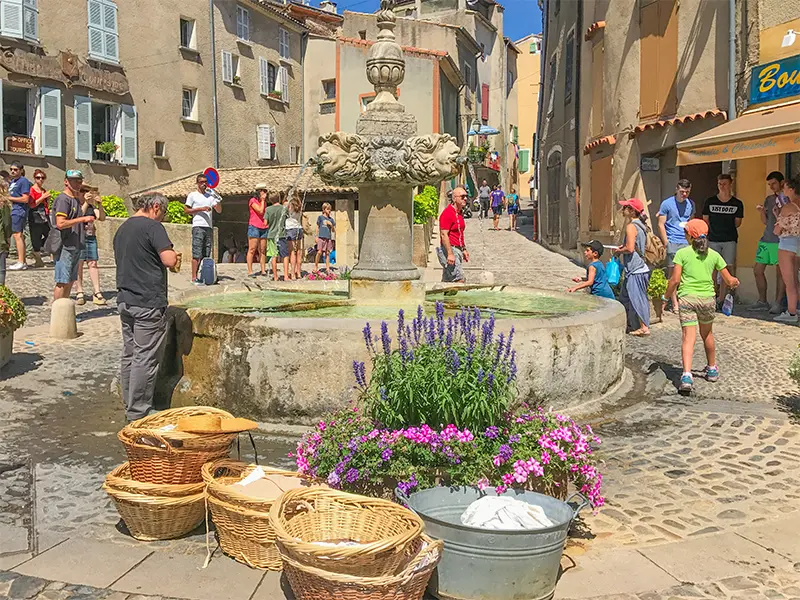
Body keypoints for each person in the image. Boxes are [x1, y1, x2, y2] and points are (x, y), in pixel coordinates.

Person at [113, 193, 179, 421]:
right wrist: (175, 255)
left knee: (129, 354)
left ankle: (129, 402)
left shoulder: (122, 229)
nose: (163, 217)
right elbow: (169, 260)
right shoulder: (153, 227)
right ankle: (139, 411)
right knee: (146, 358)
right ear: (156, 206)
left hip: (125, 300)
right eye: (164, 212)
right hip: (147, 302)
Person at [666, 219, 740, 393]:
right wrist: (735, 282)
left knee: (688, 338)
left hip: (687, 299)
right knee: (707, 334)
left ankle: (686, 375)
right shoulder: (714, 255)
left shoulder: (682, 254)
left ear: (689, 236)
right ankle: (712, 368)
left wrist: (665, 296)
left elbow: (675, 280)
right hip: (707, 299)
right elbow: (729, 280)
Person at [702, 174, 744, 308]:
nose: (722, 186)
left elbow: (738, 223)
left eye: (724, 183)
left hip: (729, 239)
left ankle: (722, 297)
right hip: (713, 239)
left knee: (727, 267)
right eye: (720, 183)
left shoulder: (737, 203)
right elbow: (705, 220)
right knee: (712, 268)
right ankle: (711, 296)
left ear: (730, 184)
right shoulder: (710, 201)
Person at [52, 171, 94, 301]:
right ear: (66, 182)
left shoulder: (75, 199)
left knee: (70, 280)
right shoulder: (63, 199)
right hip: (65, 245)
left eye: (79, 181)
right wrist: (82, 220)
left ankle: (65, 313)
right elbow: (60, 223)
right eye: (74, 180)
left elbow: (75, 218)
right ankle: (57, 314)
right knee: (62, 281)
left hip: (76, 244)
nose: (78, 183)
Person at [750, 171, 786, 313]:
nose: (772, 187)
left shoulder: (787, 199)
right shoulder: (769, 199)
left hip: (780, 240)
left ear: (782, 183)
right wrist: (761, 212)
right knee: (757, 270)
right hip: (766, 239)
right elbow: (765, 221)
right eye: (769, 184)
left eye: (774, 183)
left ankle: (778, 303)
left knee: (780, 273)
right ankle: (762, 301)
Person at [615, 198, 651, 336]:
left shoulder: (632, 226)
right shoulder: (641, 226)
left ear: (631, 211)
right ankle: (628, 324)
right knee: (625, 297)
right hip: (637, 268)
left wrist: (619, 251)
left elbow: (630, 248)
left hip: (636, 269)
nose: (622, 210)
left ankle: (644, 327)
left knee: (638, 297)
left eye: (625, 208)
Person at [657, 179, 694, 312]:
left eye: (687, 192)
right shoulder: (667, 204)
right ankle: (674, 303)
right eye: (682, 192)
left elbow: (691, 222)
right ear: (677, 189)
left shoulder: (691, 204)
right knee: (673, 275)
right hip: (672, 240)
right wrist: (666, 241)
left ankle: (683, 300)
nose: (684, 195)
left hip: (686, 241)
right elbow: (661, 223)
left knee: (685, 274)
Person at [184, 173, 221, 284]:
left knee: (206, 253)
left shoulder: (210, 196)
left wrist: (217, 199)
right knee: (196, 253)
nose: (204, 184)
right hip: (198, 226)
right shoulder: (192, 195)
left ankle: (205, 275)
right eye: (201, 182)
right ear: (197, 183)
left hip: (208, 227)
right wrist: (200, 209)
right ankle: (194, 277)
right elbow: (186, 210)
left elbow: (219, 210)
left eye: (205, 182)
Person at [773, 177, 800, 324]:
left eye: (785, 187)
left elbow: (777, 230)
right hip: (798, 243)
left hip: (787, 243)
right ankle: (796, 307)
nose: (783, 190)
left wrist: (777, 216)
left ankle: (791, 312)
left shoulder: (788, 207)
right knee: (796, 280)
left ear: (791, 189)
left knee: (789, 281)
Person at [75, 187, 107, 306]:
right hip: (79, 238)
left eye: (87, 192)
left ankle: (97, 291)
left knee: (93, 263)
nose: (85, 194)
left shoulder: (92, 208)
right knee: (79, 264)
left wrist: (100, 205)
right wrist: (85, 203)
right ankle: (79, 291)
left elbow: (102, 217)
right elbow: (78, 216)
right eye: (82, 191)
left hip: (91, 238)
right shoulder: (77, 205)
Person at [436, 186, 469, 282]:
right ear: (454, 198)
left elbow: (459, 233)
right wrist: (450, 254)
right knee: (459, 279)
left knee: (447, 283)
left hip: (457, 249)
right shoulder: (447, 213)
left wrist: (464, 249)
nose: (465, 199)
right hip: (450, 249)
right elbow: (443, 234)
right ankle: (457, 297)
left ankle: (443, 297)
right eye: (462, 197)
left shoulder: (459, 213)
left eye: (466, 196)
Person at [7, 162, 32, 271]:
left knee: (18, 235)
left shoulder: (23, 181)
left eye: (15, 169)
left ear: (21, 170)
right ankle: (23, 261)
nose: (13, 171)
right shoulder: (13, 181)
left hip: (19, 210)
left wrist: (9, 198)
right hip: (14, 210)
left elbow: (25, 199)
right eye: (11, 169)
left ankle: (21, 261)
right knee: (18, 235)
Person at [28, 169, 51, 268]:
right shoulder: (32, 190)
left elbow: (46, 204)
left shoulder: (43, 190)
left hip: (44, 215)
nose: (40, 180)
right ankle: (37, 257)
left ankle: (38, 251)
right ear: (34, 178)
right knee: (36, 236)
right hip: (35, 215)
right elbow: (32, 204)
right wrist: (42, 197)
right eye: (38, 177)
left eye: (42, 178)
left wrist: (47, 199)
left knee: (49, 234)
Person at [264, 192, 288, 280]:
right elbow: (287, 218)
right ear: (279, 199)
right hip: (281, 235)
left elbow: (265, 223)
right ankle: (285, 276)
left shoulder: (268, 210)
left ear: (270, 200)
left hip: (271, 236)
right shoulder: (284, 208)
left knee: (273, 256)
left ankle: (275, 276)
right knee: (284, 255)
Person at [246, 183, 268, 277]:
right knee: (252, 249)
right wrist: (262, 200)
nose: (265, 193)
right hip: (254, 226)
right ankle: (250, 271)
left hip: (263, 227)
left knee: (262, 250)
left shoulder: (264, 202)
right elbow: (260, 210)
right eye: (264, 191)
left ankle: (263, 270)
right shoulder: (252, 201)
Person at [285, 192, 304, 280]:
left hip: (290, 228)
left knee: (292, 252)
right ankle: (299, 272)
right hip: (299, 228)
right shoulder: (299, 204)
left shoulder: (287, 204)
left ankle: (292, 273)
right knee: (299, 251)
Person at [314, 202, 336, 274]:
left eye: (330, 209)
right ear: (324, 209)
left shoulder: (331, 220)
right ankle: (316, 266)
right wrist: (316, 236)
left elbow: (333, 230)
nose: (329, 211)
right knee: (319, 252)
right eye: (327, 209)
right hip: (321, 237)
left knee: (327, 253)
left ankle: (327, 268)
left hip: (328, 238)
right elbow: (317, 227)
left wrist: (331, 225)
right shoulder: (320, 217)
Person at [0, 182, 11, 286]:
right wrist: (8, 238)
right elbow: (7, 223)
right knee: (1, 269)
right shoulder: (3, 204)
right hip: (1, 239)